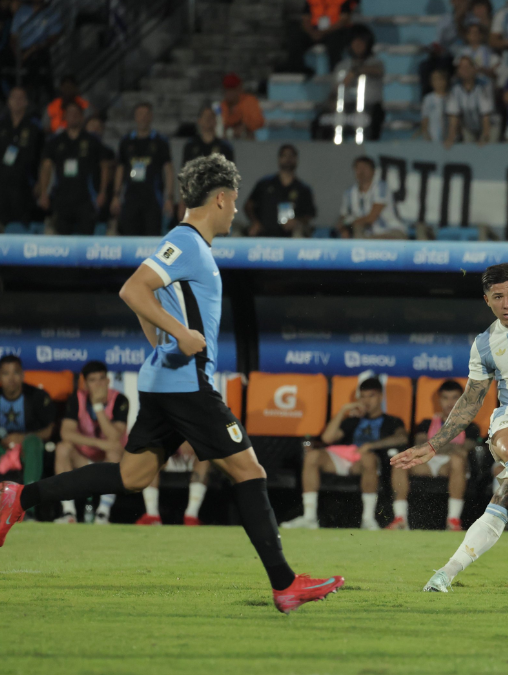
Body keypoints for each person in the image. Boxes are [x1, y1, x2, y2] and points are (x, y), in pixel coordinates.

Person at [0, 154, 345, 612]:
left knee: (131, 475)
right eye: (235, 202)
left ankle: (19, 497)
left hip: (164, 382)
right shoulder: (186, 244)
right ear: (220, 199)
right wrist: (179, 335)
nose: (236, 211)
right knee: (251, 472)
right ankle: (285, 584)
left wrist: (161, 334)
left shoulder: (181, 243)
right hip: (186, 384)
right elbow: (132, 289)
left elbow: (145, 298)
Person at [393, 263, 508, 593]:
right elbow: (471, 399)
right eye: (498, 297)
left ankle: (448, 570)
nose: (507, 303)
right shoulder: (485, 344)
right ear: (487, 300)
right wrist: (434, 444)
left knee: (504, 502)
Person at [284, 377, 407, 531]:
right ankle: (309, 517)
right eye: (363, 396)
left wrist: (371, 445)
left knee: (368, 458)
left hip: (368, 462)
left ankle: (368, 520)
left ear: (381, 397)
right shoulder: (352, 420)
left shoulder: (391, 421)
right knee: (312, 456)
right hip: (344, 458)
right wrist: (343, 410)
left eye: (371, 396)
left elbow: (402, 437)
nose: (367, 401)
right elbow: (327, 438)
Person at [390, 380, 475, 532]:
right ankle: (400, 518)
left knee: (457, 459)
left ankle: (453, 520)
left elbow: (464, 449)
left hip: (450, 466)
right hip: (426, 465)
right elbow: (419, 445)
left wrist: (433, 446)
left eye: (455, 397)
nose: (450, 402)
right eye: (445, 398)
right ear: (439, 400)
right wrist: (449, 447)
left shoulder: (470, 426)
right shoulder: (426, 423)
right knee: (401, 461)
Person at [53, 361, 128, 525]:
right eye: (93, 380)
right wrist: (100, 444)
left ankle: (102, 514)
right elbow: (66, 432)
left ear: (108, 381)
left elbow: (114, 438)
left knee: (115, 451)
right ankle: (69, 512)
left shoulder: (120, 400)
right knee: (62, 448)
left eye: (102, 379)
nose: (99, 384)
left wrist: (97, 406)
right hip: (84, 459)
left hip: (109, 464)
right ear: (85, 384)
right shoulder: (77, 399)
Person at [37, 100, 110, 235]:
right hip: (61, 198)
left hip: (86, 198)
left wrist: (102, 192)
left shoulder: (92, 141)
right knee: (63, 242)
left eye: (76, 113)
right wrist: (43, 193)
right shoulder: (55, 141)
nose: (73, 116)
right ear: (64, 116)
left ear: (82, 117)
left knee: (86, 240)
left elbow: (105, 166)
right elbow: (46, 167)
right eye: (69, 113)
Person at [112, 103, 174, 237]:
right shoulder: (126, 141)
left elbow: (168, 170)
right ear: (135, 117)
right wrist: (116, 195)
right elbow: (120, 169)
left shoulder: (160, 141)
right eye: (140, 114)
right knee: (129, 239)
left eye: (146, 115)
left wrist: (169, 197)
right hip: (130, 199)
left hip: (153, 200)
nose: (143, 118)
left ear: (151, 117)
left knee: (152, 240)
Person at [0, 355, 54, 487]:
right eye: (6, 373)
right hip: (2, 446)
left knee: (33, 442)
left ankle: (29, 502)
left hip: (29, 448)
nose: (11, 378)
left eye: (16, 372)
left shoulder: (37, 396)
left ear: (23, 375)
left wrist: (23, 438)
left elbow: (49, 430)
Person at [244, 144, 317, 238]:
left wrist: (296, 222)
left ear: (296, 159)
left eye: (291, 156)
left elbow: (309, 214)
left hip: (291, 236)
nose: (287, 159)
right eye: (284, 156)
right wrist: (255, 222)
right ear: (279, 159)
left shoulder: (303, 189)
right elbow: (248, 205)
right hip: (263, 234)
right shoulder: (264, 184)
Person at [330, 25, 385, 141]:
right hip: (346, 106)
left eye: (362, 41)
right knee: (324, 120)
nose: (358, 45)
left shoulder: (375, 62)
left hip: (370, 107)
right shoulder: (342, 66)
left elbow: (378, 71)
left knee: (376, 116)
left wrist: (356, 71)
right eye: (355, 41)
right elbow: (335, 89)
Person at [0, 86, 44, 232]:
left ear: (26, 102)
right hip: (2, 183)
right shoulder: (1, 125)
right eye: (14, 98)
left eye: (21, 98)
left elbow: (43, 157)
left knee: (20, 224)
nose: (17, 101)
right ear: (8, 102)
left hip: (25, 184)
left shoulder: (34, 127)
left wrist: (40, 183)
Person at [339, 156, 404, 239]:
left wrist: (349, 224)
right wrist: (343, 227)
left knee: (358, 231)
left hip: (390, 231)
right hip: (369, 235)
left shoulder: (381, 187)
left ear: (373, 171)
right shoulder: (349, 192)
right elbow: (343, 216)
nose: (361, 171)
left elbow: (371, 218)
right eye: (358, 168)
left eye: (365, 167)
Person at [284, 0, 356, 74]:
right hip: (314, 30)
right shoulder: (311, 1)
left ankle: (334, 71)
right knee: (296, 37)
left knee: (336, 40)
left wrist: (323, 32)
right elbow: (305, 20)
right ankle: (297, 70)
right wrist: (312, 33)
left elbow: (343, 21)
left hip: (333, 30)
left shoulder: (341, 1)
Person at [446, 56, 497, 147]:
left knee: (485, 150)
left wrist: (484, 136)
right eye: (461, 67)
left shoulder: (483, 85)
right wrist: (451, 137)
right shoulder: (455, 89)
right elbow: (454, 116)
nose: (464, 70)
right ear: (458, 71)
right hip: (469, 127)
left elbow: (486, 116)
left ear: (474, 69)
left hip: (490, 125)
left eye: (467, 67)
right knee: (468, 152)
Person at [219, 73, 265, 140]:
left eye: (233, 89)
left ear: (239, 89)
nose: (230, 93)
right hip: (228, 141)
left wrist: (245, 125)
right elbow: (221, 124)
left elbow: (259, 122)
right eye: (227, 89)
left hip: (247, 141)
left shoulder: (249, 101)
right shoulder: (222, 105)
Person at [421, 67, 450, 143]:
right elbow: (425, 120)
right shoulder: (428, 99)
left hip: (449, 140)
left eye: (440, 79)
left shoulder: (451, 98)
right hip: (434, 139)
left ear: (445, 81)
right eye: (434, 79)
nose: (437, 82)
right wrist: (427, 137)